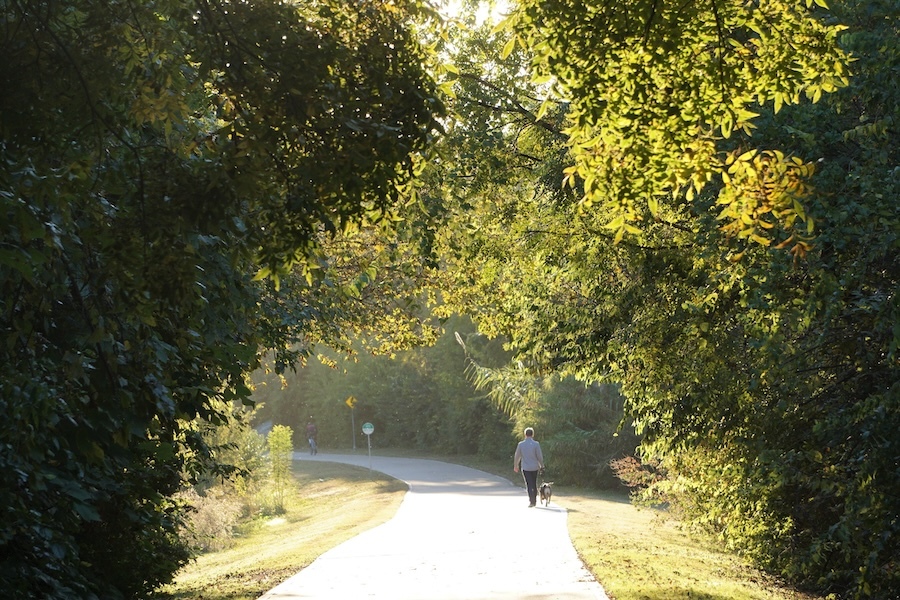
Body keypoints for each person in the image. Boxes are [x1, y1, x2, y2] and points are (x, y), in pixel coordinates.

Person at [513, 427, 544, 507]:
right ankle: (534, 499)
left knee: (529, 484)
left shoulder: (521, 444)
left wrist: (516, 465)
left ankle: (531, 501)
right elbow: (539, 456)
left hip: (526, 467)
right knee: (534, 483)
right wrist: (542, 465)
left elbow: (517, 456)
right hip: (534, 467)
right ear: (532, 434)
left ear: (525, 434)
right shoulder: (536, 444)